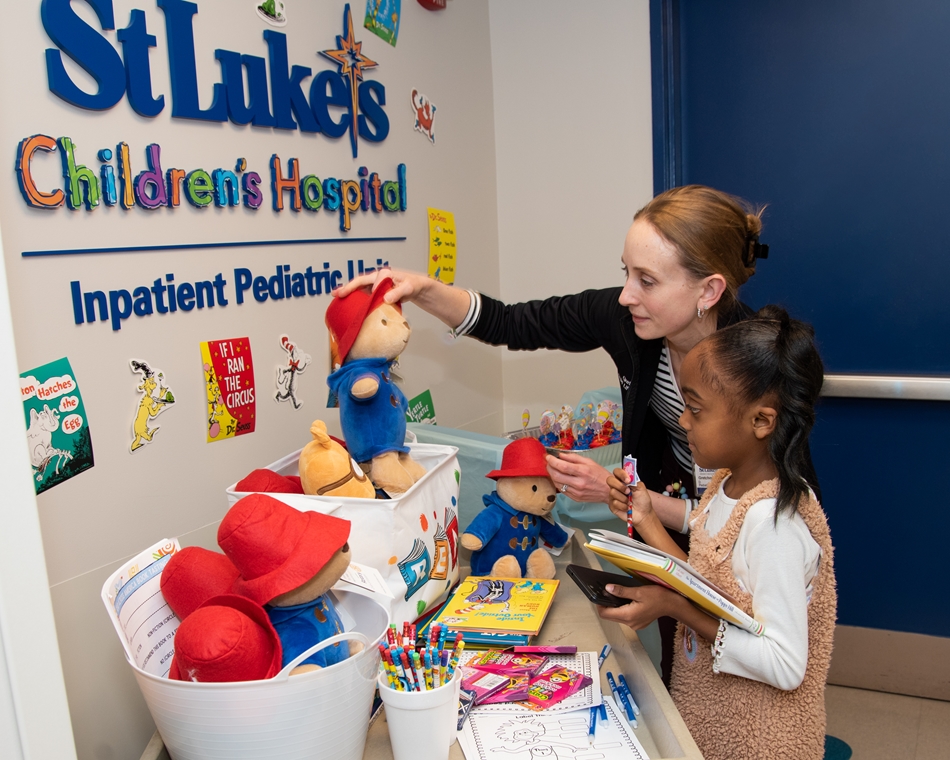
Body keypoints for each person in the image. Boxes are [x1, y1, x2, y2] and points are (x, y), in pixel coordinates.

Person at [335, 184, 779, 683]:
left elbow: (756, 518)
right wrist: (423, 289)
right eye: (625, 273)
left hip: (737, 537)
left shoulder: (757, 361)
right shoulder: (628, 318)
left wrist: (628, 496)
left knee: (739, 669)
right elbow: (515, 322)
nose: (626, 295)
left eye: (647, 280)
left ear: (709, 291)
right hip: (669, 517)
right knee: (685, 671)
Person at [600, 306, 836, 760]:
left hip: (761, 742)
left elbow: (786, 665)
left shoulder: (775, 524)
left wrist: (674, 607)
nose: (683, 421)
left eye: (696, 408)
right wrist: (647, 516)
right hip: (715, 723)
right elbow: (707, 581)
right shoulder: (726, 484)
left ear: (761, 421)